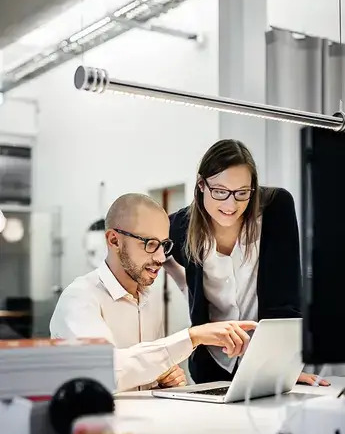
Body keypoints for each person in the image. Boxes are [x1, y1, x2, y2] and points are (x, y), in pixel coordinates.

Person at [50, 193, 256, 392]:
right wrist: (192, 337)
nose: (160, 257)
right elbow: (105, 372)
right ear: (114, 241)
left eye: (164, 245)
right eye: (149, 244)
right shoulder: (79, 298)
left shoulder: (150, 298)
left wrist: (163, 378)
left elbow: (140, 371)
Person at [165, 139, 329, 387]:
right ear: (201, 184)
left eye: (242, 193)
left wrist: (284, 366)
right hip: (211, 363)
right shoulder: (180, 225)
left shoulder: (276, 209)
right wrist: (185, 284)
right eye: (220, 191)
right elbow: (153, 251)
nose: (231, 205)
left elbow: (287, 293)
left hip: (266, 361)